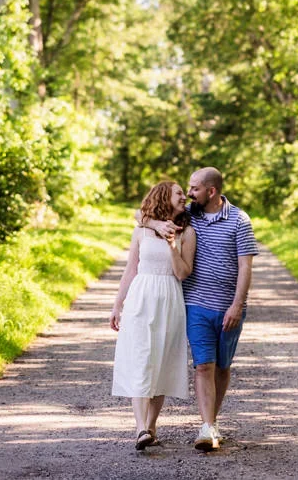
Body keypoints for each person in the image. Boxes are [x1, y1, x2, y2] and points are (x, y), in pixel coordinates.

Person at [144, 166, 258, 453]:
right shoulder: (189, 214)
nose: (189, 192)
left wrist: (237, 305)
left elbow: (245, 267)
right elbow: (142, 214)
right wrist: (157, 225)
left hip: (228, 307)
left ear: (212, 191)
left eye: (194, 188)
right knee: (203, 365)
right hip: (195, 303)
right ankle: (207, 426)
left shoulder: (239, 220)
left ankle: (212, 422)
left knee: (222, 365)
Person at [110, 181, 197, 450]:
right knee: (141, 359)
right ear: (163, 197)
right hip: (141, 296)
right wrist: (117, 304)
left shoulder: (188, 232)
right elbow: (130, 269)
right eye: (179, 193)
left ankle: (151, 426)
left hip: (170, 297)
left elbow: (183, 273)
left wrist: (172, 245)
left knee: (161, 363)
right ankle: (140, 428)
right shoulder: (142, 231)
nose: (184, 196)